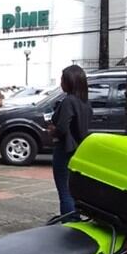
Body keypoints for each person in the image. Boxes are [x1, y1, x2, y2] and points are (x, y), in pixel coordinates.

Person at [49, 65, 93, 219]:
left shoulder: (69, 101)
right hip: (79, 149)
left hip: (65, 149)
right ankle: (74, 217)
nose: (60, 83)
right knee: (73, 189)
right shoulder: (85, 103)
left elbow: (62, 128)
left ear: (70, 82)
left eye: (62, 79)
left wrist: (52, 131)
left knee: (65, 190)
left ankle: (69, 220)